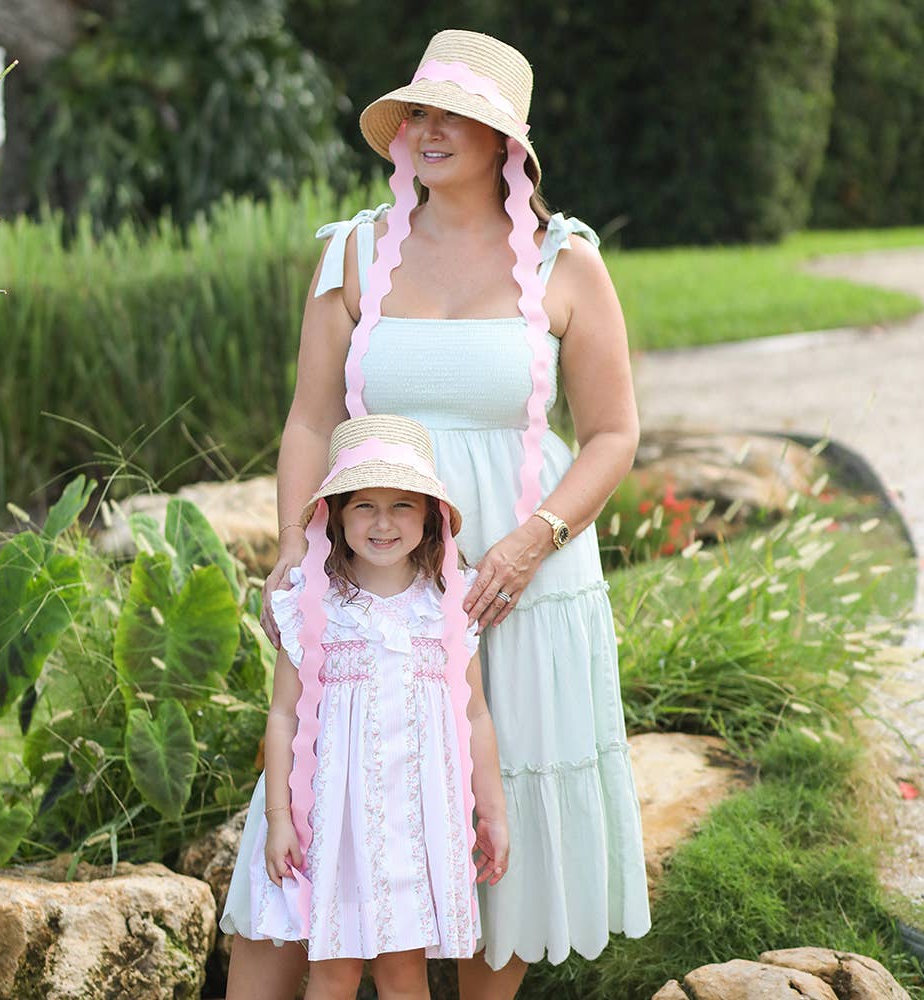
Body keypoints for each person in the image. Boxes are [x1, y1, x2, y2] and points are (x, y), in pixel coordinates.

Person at [222, 27, 650, 999]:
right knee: (323, 788)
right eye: (418, 112)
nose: (430, 130)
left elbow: (613, 433)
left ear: (506, 140)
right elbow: (309, 419)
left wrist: (532, 543)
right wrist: (293, 547)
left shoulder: (567, 262)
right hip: (373, 576)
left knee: (504, 798)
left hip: (520, 582)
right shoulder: (353, 254)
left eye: (455, 115)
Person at [223, 414, 509, 1000]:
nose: (383, 523)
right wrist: (280, 818)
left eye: (402, 505)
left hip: (418, 819)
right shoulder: (312, 605)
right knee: (335, 971)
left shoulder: (447, 606)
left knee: (404, 973)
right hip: (336, 821)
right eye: (364, 506)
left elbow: (475, 715)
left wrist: (493, 812)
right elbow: (282, 716)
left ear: (429, 515)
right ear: (335, 514)